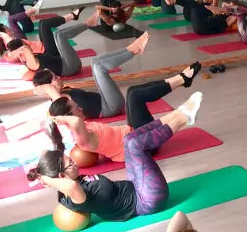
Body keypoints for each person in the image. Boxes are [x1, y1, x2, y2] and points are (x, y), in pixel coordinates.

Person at [27, 92, 202, 222]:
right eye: (69, 163)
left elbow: (45, 153)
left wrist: (39, 169)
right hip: (146, 201)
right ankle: (184, 119)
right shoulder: (75, 196)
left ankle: (178, 113)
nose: (74, 161)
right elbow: (70, 185)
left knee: (129, 139)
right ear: (61, 177)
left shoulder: (74, 180)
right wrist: (45, 179)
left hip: (136, 186)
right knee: (135, 145)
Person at [47, 61, 203, 161]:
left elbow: (64, 110)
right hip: (140, 146)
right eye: (76, 108)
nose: (81, 108)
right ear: (67, 119)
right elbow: (76, 121)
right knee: (135, 95)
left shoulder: (80, 126)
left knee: (131, 91)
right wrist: (59, 119)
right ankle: (182, 79)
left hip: (133, 132)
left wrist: (53, 97)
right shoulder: (80, 136)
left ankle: (180, 82)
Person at [32, 32, 164, 119]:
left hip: (106, 100)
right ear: (49, 85)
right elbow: (66, 115)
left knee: (95, 61)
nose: (59, 77)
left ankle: (130, 49)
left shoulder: (63, 93)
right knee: (99, 67)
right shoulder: (61, 102)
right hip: (109, 107)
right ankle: (134, 50)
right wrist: (47, 90)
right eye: (55, 78)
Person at [5, 8, 87, 80]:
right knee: (50, 28)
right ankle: (77, 18)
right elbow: (20, 52)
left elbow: (11, 50)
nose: (27, 44)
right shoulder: (29, 59)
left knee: (42, 23)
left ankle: (74, 17)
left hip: (52, 56)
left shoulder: (22, 51)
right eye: (25, 44)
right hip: (52, 54)